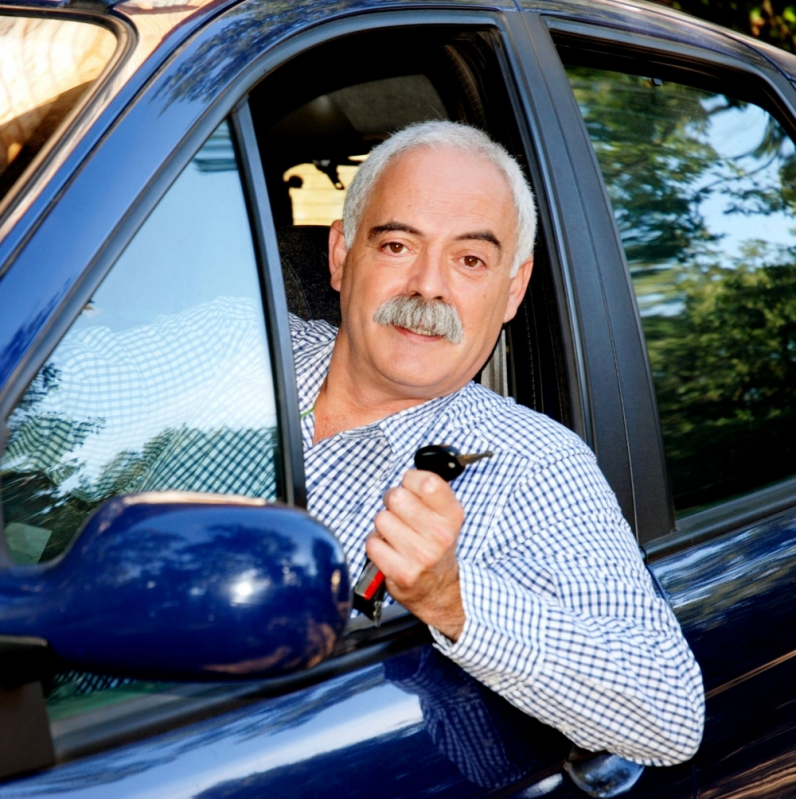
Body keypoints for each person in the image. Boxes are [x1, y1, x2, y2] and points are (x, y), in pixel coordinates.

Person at [290, 120, 704, 766]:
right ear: (342, 254)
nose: (428, 285)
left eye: (471, 260)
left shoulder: (531, 465)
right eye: (398, 245)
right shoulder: (234, 346)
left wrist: (450, 597)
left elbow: (669, 712)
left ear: (512, 289)